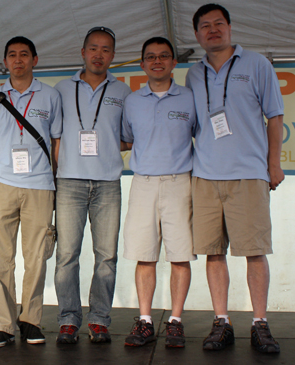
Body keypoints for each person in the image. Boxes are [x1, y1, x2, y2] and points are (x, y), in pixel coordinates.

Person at [186, 3, 284, 353]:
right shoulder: (193, 74)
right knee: (214, 253)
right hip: (206, 177)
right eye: (205, 26)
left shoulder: (257, 64)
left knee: (254, 252)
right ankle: (221, 322)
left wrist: (274, 165)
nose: (213, 30)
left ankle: (260, 323)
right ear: (197, 35)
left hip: (249, 174)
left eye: (219, 24)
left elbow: (275, 117)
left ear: (230, 27)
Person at [0, 36, 62, 348]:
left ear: (35, 60)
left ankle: (30, 321)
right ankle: (2, 325)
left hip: (40, 186)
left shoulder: (50, 96)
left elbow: (56, 145)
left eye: (24, 54)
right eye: (12, 55)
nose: (18, 59)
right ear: (5, 61)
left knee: (37, 257)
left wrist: (55, 182)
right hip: (1, 185)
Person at [53, 26, 131, 344]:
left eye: (106, 49)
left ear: (113, 55)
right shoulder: (60, 89)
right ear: (83, 52)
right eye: (93, 48)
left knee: (107, 256)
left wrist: (106, 148)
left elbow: (128, 138)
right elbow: (52, 137)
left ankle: (99, 319)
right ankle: (69, 319)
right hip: (69, 182)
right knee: (67, 255)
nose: (99, 54)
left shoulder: (124, 92)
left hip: (108, 183)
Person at [121, 37, 197, 348]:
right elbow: (126, 139)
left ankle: (176, 321)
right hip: (143, 183)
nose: (157, 61)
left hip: (181, 182)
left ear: (173, 63)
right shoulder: (132, 101)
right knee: (144, 255)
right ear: (142, 64)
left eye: (164, 56)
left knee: (180, 256)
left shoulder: (190, 98)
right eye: (150, 57)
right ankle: (146, 321)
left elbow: (202, 138)